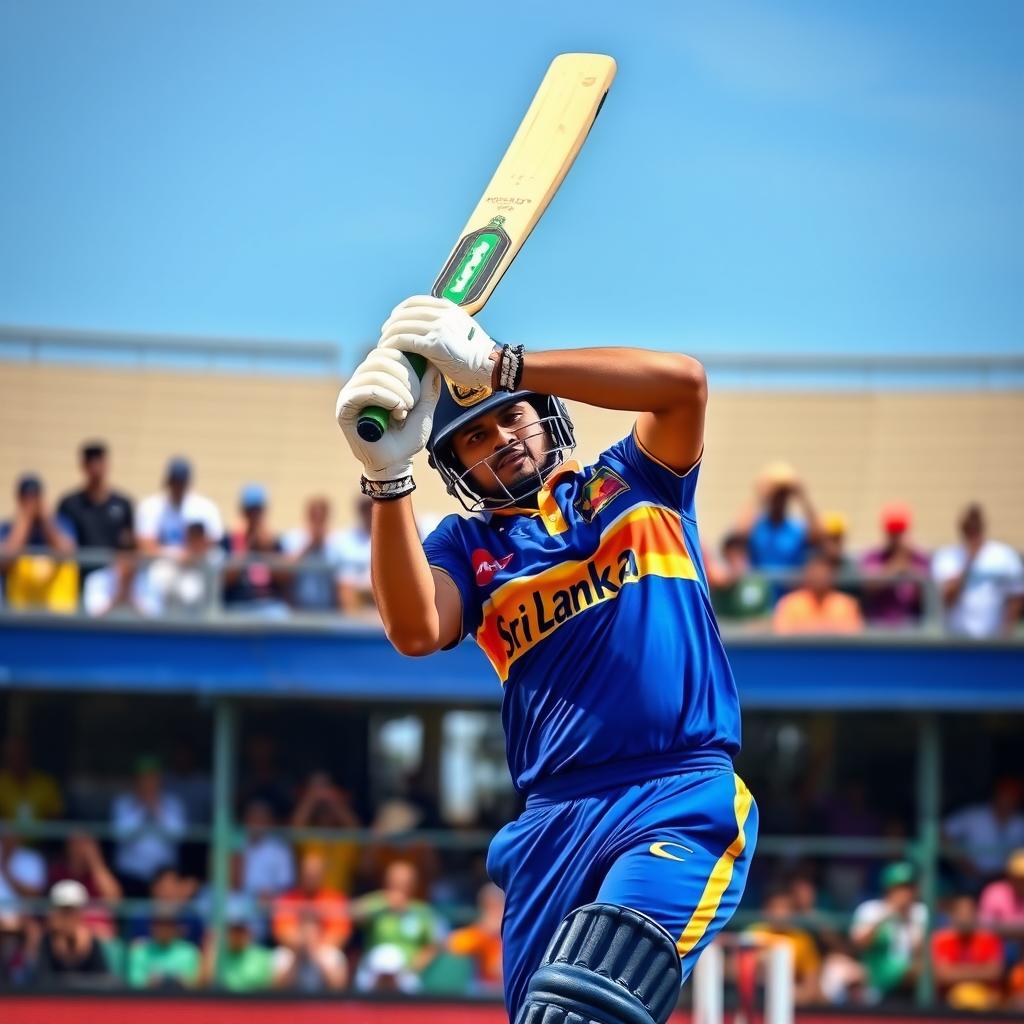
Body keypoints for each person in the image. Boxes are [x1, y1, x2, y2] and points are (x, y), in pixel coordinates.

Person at [335, 296, 757, 1024]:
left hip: (677, 793)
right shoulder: (466, 549)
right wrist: (387, 478)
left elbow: (683, 384)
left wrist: (502, 364)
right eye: (474, 438)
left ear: (545, 414)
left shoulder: (636, 481)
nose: (500, 438)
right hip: (551, 821)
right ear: (454, 464)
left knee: (584, 1007)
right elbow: (413, 628)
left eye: (512, 415)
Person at [932, 503, 1024, 638]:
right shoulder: (947, 557)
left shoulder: (1005, 556)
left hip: (994, 640)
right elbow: (945, 599)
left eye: (976, 528)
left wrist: (1006, 632)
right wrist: (968, 564)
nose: (973, 533)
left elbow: (1016, 596)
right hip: (956, 640)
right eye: (969, 528)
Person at [351, 860, 440, 993]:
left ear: (412, 885)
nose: (399, 886)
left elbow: (434, 945)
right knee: (386, 956)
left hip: (406, 974)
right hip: (373, 971)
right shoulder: (377, 903)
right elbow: (353, 913)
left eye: (404, 882)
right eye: (394, 881)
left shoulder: (421, 912)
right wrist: (384, 902)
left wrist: (414, 966)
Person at [850, 862, 927, 1002]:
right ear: (889, 889)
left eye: (910, 887)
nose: (906, 893)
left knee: (921, 969)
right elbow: (859, 944)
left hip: (909, 976)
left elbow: (920, 951)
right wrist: (886, 915)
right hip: (877, 970)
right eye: (901, 888)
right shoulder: (870, 909)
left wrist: (907, 920)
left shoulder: (920, 912)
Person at [111, 756, 187, 897]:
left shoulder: (173, 804)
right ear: (136, 780)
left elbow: (178, 836)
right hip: (130, 876)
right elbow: (121, 835)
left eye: (152, 778)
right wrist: (142, 808)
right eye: (144, 778)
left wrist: (156, 809)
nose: (148, 783)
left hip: (164, 878)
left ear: (160, 780)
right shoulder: (122, 803)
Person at [0, 474, 78, 612]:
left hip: (58, 611)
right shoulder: (8, 528)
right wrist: (24, 521)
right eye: (26, 497)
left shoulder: (61, 524)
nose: (32, 502)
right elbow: (4, 561)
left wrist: (47, 520)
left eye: (35, 497)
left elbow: (67, 552)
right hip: (20, 611)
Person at [56, 441, 134, 577]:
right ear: (83, 466)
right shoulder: (69, 504)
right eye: (91, 462)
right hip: (78, 575)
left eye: (99, 462)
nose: (95, 468)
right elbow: (63, 542)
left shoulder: (122, 504)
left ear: (107, 465)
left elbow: (129, 545)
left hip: (111, 578)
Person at [736, 462, 822, 576]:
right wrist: (760, 495)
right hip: (761, 591)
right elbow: (738, 534)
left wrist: (802, 497)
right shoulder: (757, 526)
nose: (779, 501)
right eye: (775, 496)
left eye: (783, 496)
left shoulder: (796, 529)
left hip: (791, 591)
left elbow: (819, 537)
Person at [744, 888, 822, 1006]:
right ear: (766, 910)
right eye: (775, 907)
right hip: (755, 1000)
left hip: (792, 1002)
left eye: (785, 908)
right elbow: (734, 970)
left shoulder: (802, 940)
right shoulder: (753, 934)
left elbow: (811, 988)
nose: (780, 913)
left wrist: (782, 994)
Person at [859, 504, 930, 627]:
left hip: (913, 629)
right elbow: (867, 587)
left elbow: (928, 594)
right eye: (892, 532)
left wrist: (909, 569)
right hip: (879, 627)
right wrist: (895, 566)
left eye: (899, 531)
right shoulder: (873, 557)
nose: (896, 537)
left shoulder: (920, 558)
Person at [135, 457, 223, 556]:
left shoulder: (205, 507)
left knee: (215, 557)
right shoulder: (151, 506)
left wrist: (191, 553)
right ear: (168, 482)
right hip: (162, 562)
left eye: (181, 483)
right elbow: (146, 544)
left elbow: (213, 539)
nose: (178, 487)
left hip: (196, 561)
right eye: (175, 482)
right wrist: (175, 555)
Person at [931, 893, 1004, 1011]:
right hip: (948, 1004)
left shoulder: (988, 939)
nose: (965, 918)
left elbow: (994, 972)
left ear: (976, 915)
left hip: (985, 999)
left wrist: (957, 971)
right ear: (952, 916)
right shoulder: (941, 940)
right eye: (961, 914)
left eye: (969, 913)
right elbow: (943, 975)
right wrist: (979, 970)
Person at [222, 483, 287, 615]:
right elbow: (224, 580)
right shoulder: (229, 540)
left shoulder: (274, 542)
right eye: (250, 510)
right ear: (243, 511)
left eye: (258, 510)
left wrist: (266, 551)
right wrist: (246, 547)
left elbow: (284, 580)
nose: (254, 516)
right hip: (237, 604)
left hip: (269, 605)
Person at [34, 880, 111, 986]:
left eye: (70, 911)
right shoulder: (47, 941)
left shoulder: (92, 940)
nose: (67, 917)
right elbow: (40, 980)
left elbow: (103, 981)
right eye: (63, 910)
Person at [944, 780, 1024, 882]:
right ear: (995, 795)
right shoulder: (973, 815)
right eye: (1005, 794)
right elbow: (942, 833)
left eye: (1013, 796)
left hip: (1008, 881)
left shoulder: (1020, 822)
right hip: (970, 878)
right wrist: (961, 863)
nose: (1008, 799)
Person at [272, 850, 351, 951]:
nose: (311, 877)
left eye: (315, 874)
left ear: (323, 875)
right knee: (279, 960)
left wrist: (316, 948)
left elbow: (340, 932)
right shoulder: (288, 899)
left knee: (334, 961)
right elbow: (282, 931)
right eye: (308, 873)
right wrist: (303, 945)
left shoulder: (335, 899)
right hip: (295, 950)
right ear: (300, 873)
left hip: (324, 949)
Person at [48, 832, 122, 939]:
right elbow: (53, 917)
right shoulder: (58, 871)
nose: (80, 847)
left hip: (99, 935)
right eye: (76, 842)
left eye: (85, 842)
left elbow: (115, 901)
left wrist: (95, 861)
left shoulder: (100, 873)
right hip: (64, 933)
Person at [772, 552, 865, 635]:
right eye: (815, 572)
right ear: (807, 575)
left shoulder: (847, 605)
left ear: (832, 575)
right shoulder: (790, 604)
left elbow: (853, 638)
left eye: (823, 572)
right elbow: (783, 636)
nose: (819, 577)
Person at [280, 496, 346, 612]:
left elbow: (341, 580)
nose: (317, 521)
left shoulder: (337, 542)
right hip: (297, 610)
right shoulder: (293, 538)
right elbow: (285, 574)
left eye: (321, 517)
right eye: (314, 516)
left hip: (328, 611)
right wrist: (309, 546)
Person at [271, 908, 348, 992]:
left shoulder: (333, 954)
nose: (307, 935)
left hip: (322, 1003)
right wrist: (297, 957)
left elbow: (338, 988)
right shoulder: (283, 954)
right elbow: (277, 988)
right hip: (293, 1003)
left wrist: (315, 955)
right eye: (303, 930)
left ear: (319, 931)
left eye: (311, 931)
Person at [448, 882, 505, 992]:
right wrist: (484, 930)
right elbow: (453, 944)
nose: (495, 912)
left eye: (498, 906)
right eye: (489, 907)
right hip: (484, 990)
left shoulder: (520, 932)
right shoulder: (480, 933)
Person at [127, 905, 201, 989]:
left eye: (168, 924)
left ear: (176, 927)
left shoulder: (190, 952)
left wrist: (181, 982)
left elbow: (196, 985)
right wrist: (150, 983)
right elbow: (135, 985)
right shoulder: (139, 951)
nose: (163, 929)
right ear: (151, 927)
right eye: (159, 924)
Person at [201, 906, 273, 992]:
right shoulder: (217, 956)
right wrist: (211, 946)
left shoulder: (261, 957)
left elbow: (270, 988)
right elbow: (204, 982)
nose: (237, 936)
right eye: (233, 931)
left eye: (240, 931)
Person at [708, 532, 773, 625]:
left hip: (755, 635)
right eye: (731, 556)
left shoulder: (759, 584)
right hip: (727, 633)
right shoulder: (718, 583)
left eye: (739, 555)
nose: (735, 561)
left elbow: (766, 617)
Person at [240, 800, 295, 906]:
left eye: (260, 819)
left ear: (269, 822)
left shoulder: (280, 849)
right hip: (239, 902)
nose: (256, 823)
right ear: (245, 820)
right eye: (252, 818)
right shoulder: (236, 844)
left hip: (270, 904)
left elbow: (286, 885)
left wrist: (270, 894)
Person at [0, 736, 64, 824]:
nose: (18, 760)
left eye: (21, 755)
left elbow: (58, 818)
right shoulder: (2, 782)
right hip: (4, 836)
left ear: (29, 756)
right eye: (13, 756)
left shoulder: (45, 783)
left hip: (41, 836)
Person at [335, 496, 377, 616]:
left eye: (373, 505)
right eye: (365, 508)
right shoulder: (345, 540)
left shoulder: (394, 537)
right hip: (357, 603)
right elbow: (344, 585)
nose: (370, 511)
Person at [979, 848, 1024, 944]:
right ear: (1009, 875)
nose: (1021, 881)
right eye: (1018, 877)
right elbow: (985, 927)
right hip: (999, 947)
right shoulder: (994, 892)